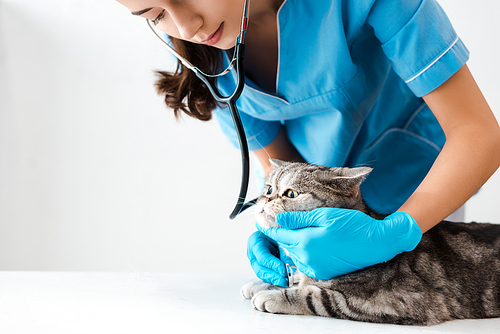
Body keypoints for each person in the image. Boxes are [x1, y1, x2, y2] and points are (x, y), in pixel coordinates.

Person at [117, 0, 500, 286]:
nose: (187, 25)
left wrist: (394, 232)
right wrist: (279, 224)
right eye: (154, 14)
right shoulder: (202, 50)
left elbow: (479, 133)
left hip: (424, 188)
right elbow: (279, 167)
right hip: (321, 211)